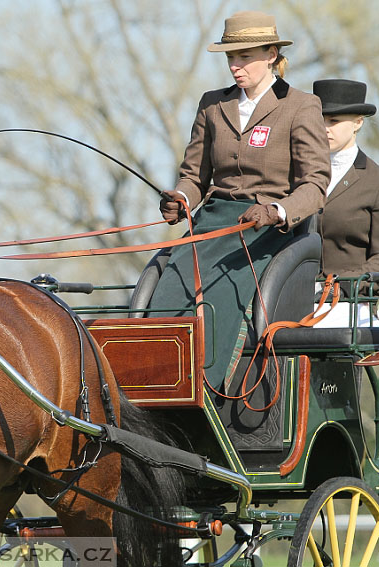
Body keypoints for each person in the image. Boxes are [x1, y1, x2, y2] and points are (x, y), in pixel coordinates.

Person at [150, 10, 330, 391]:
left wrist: (277, 210)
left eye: (244, 56)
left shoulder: (301, 106)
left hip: (270, 228)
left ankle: (202, 390)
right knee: (172, 286)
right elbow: (194, 176)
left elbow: (315, 185)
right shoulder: (212, 105)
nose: (235, 66)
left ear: (270, 54)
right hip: (213, 223)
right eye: (231, 57)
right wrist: (180, 198)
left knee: (219, 297)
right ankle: (154, 384)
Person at [311, 79, 379, 327]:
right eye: (321, 120)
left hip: (352, 302)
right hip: (294, 296)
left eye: (334, 121)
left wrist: (337, 285)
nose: (325, 128)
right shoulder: (295, 176)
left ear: (358, 123)